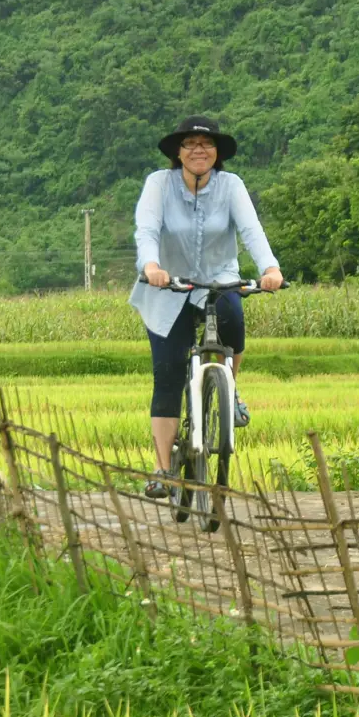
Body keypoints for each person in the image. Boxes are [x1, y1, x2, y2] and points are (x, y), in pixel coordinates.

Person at [129, 117, 283, 497]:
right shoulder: (158, 184)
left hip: (218, 279)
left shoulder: (231, 186)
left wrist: (270, 267)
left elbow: (251, 229)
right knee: (167, 374)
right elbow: (146, 229)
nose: (199, 150)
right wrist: (151, 266)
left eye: (206, 144)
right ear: (177, 152)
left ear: (217, 152)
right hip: (168, 285)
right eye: (190, 144)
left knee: (233, 317)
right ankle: (163, 469)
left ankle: (230, 389)